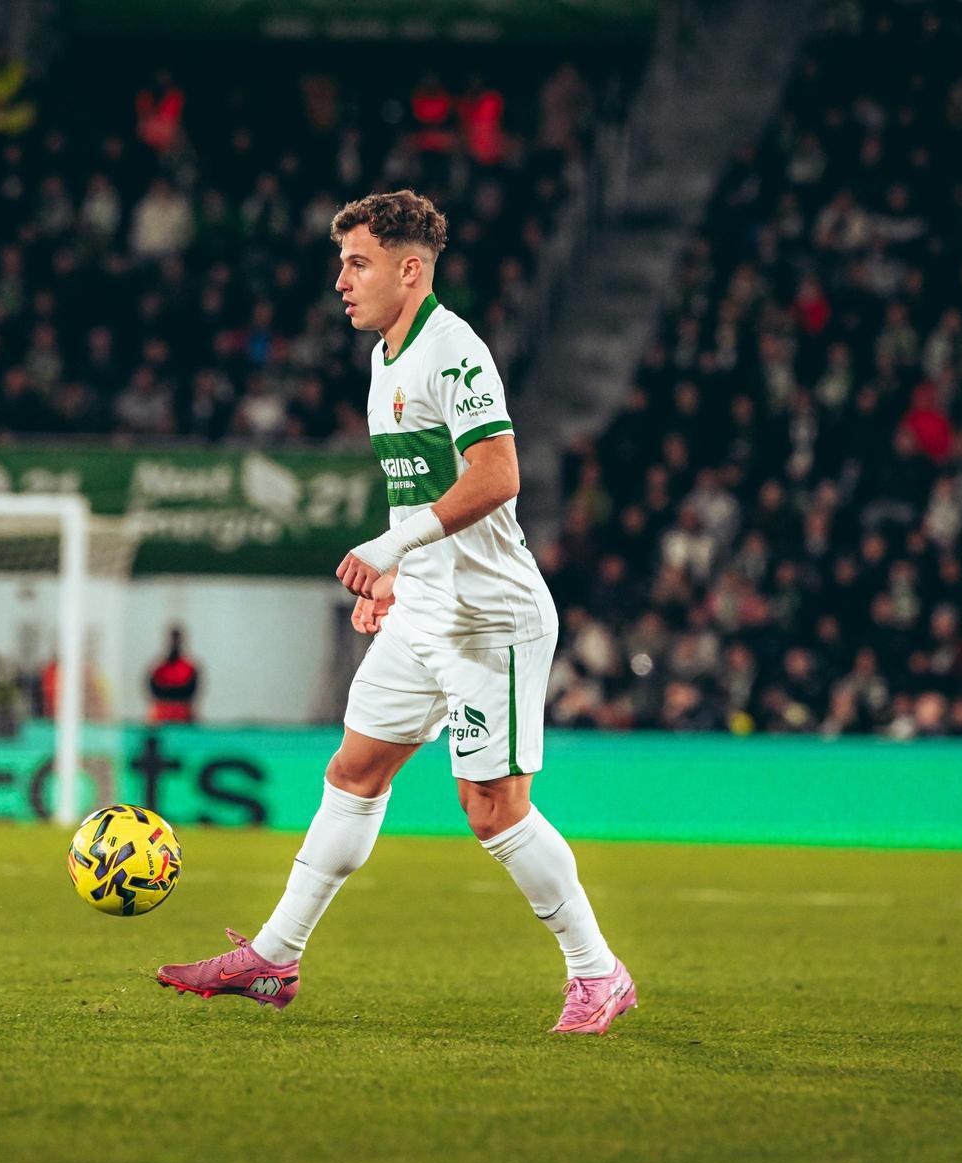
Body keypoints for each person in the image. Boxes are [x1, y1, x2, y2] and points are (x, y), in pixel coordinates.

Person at [158, 190, 636, 1035]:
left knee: (493, 809)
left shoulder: (454, 352)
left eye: (357, 263)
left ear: (410, 270)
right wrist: (395, 575)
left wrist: (386, 551)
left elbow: (497, 476)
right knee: (353, 772)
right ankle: (276, 956)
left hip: (490, 620)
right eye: (342, 263)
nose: (340, 280)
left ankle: (598, 973)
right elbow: (420, 491)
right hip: (423, 610)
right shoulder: (384, 359)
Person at [147, 626, 199, 723]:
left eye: (177, 640)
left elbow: (190, 692)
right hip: (161, 716)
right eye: (172, 639)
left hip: (183, 716)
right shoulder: (158, 668)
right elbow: (154, 691)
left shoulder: (189, 668)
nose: (174, 643)